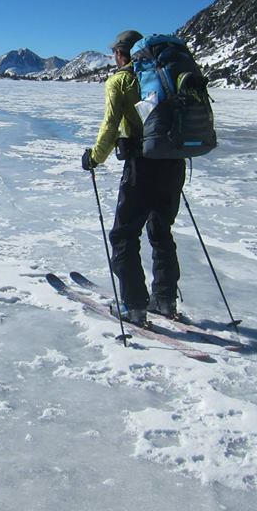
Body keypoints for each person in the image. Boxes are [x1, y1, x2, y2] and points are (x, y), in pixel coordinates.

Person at [80, 30, 186, 326]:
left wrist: (94, 158)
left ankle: (134, 306)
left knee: (124, 234)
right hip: (174, 162)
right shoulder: (167, 74)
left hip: (142, 165)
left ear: (120, 54)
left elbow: (110, 125)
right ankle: (165, 300)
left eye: (115, 52)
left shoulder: (121, 80)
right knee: (161, 230)